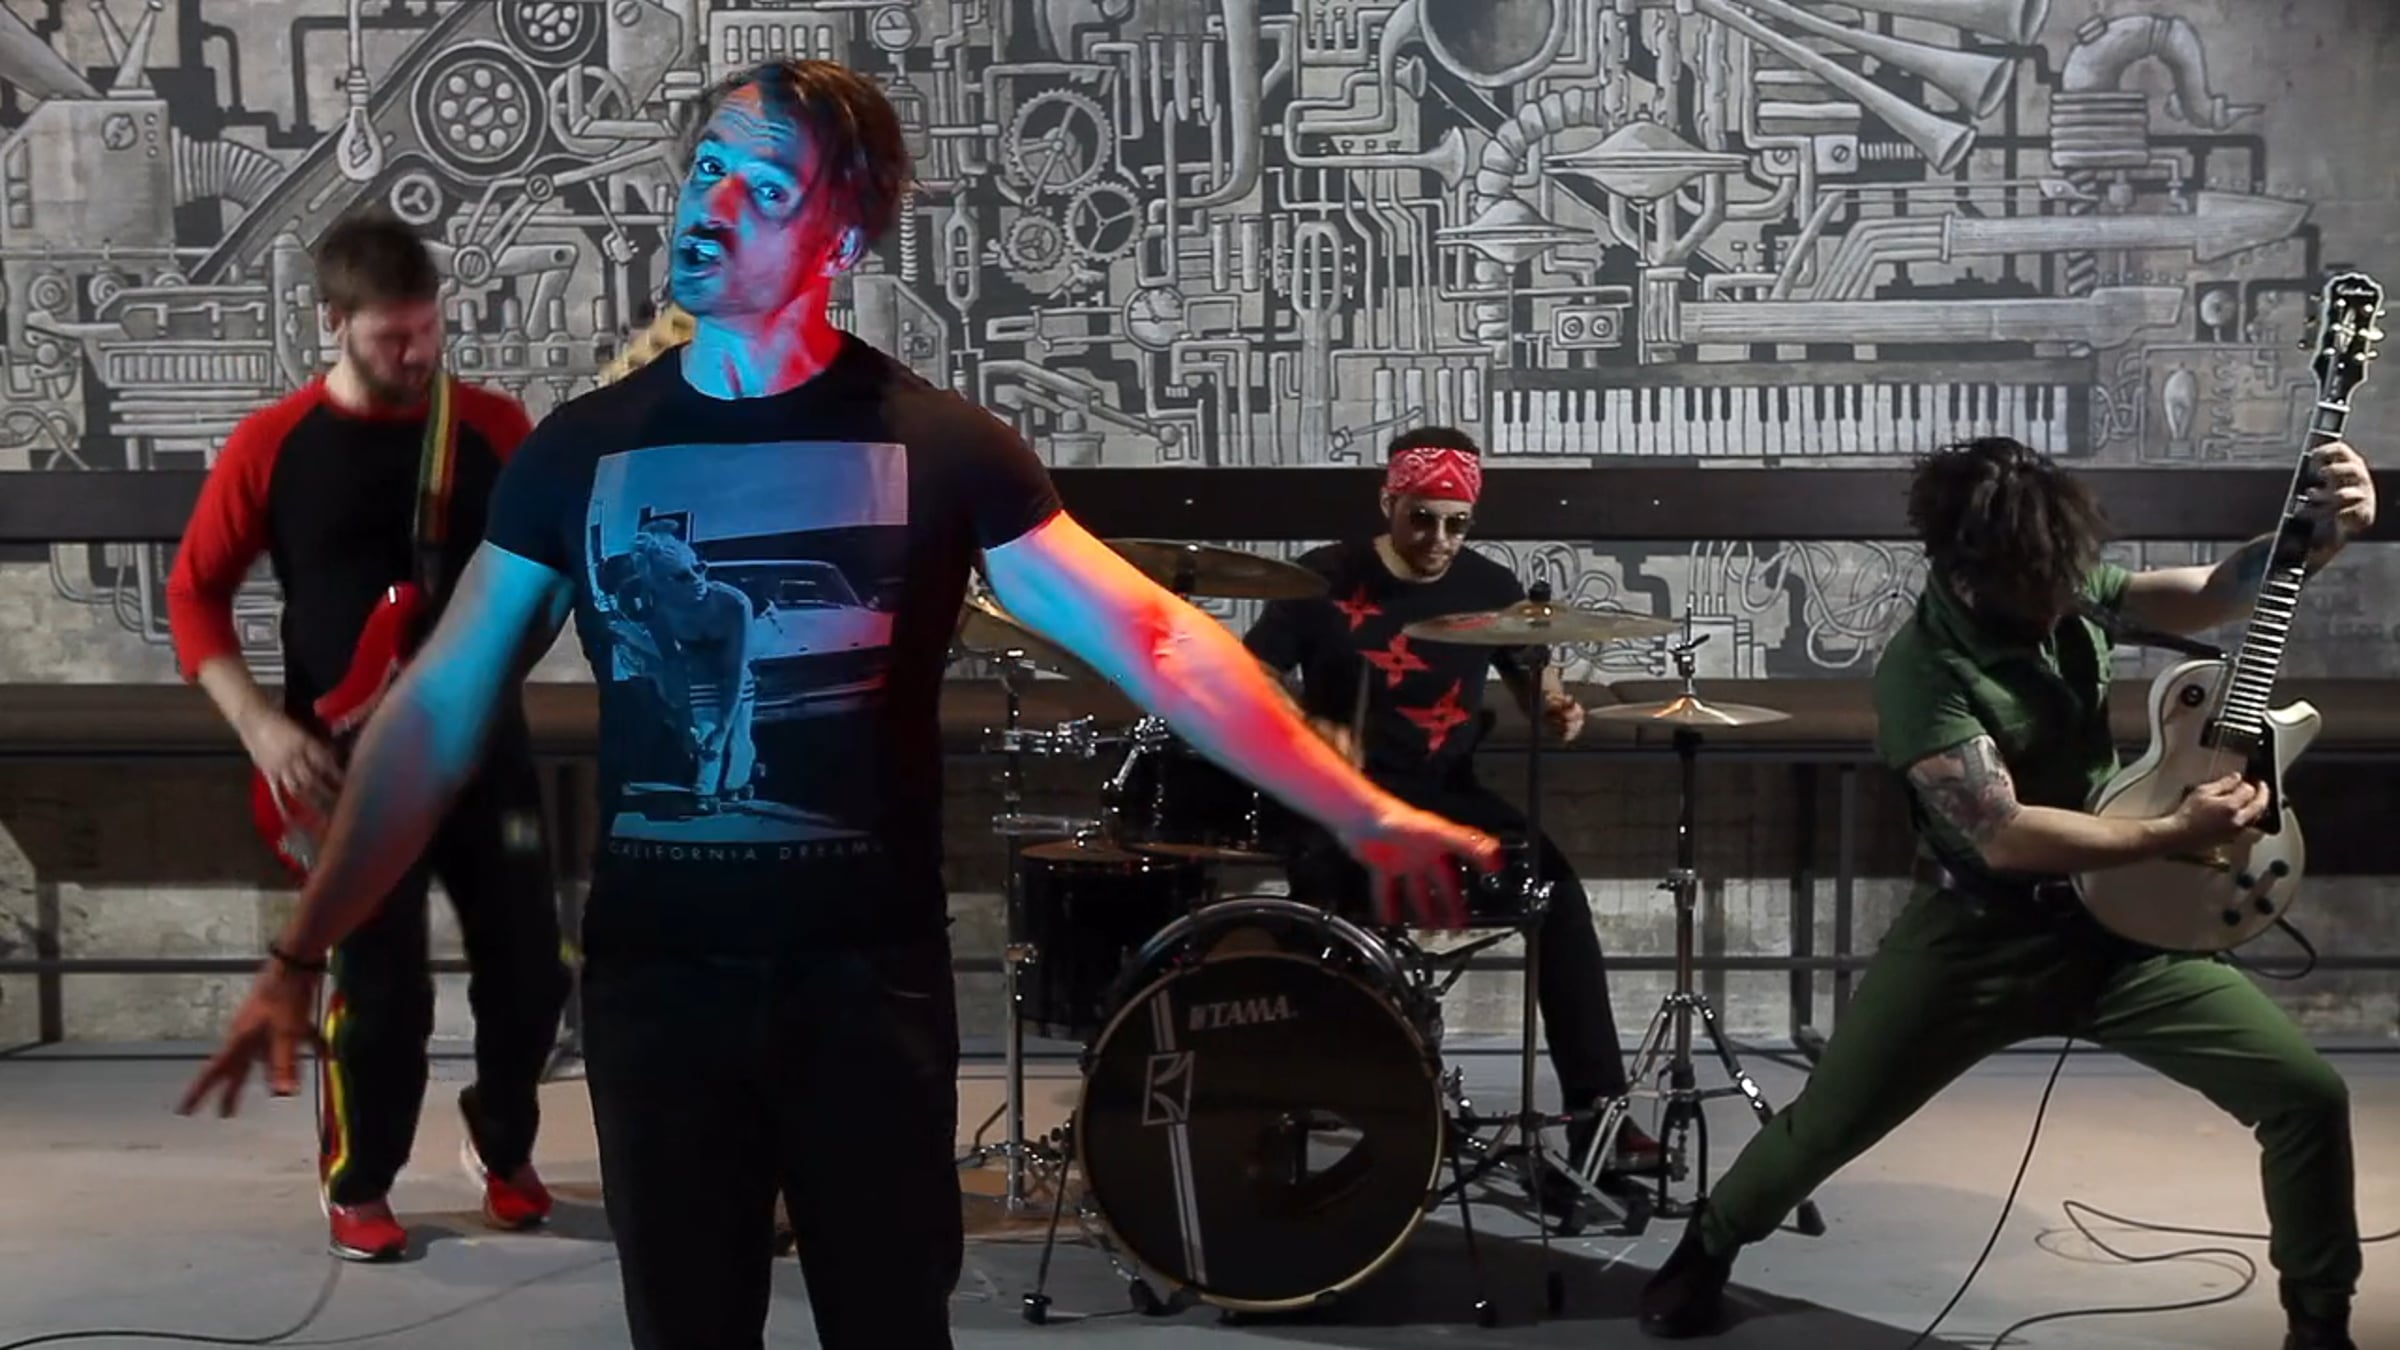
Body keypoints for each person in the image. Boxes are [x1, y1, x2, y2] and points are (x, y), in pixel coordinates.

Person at [175, 58, 1495, 1350]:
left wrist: (1358, 807)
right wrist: (304, 949)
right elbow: (433, 714)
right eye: (706, 168)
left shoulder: (941, 444)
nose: (711, 204)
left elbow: (1153, 634)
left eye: (763, 187)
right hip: (656, 1002)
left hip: (866, 996)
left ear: (842, 238)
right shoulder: (581, 450)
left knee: (887, 1322)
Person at [1637, 436, 2371, 1350]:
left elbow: (2217, 592)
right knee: (1829, 1123)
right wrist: (2175, 834)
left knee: (2306, 1096)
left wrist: (2315, 537)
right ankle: (1708, 1245)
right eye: (2042, 585)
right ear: (1968, 573)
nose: (2064, 598)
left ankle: (2319, 1319)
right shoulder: (1923, 672)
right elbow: (2007, 832)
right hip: (1979, 936)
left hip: (2127, 925)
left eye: (2069, 576)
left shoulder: (2060, 580)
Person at [164, 208, 569, 1261]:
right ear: (332, 322)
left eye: (430, 329)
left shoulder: (491, 428)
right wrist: (262, 728)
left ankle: (504, 1142)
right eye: (395, 337)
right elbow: (195, 596)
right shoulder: (273, 444)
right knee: (380, 991)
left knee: (532, 972)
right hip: (344, 769)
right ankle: (361, 1181)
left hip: (482, 750)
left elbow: (546, 566)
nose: (420, 354)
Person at [1242, 426, 1658, 1214]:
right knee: (1323, 915)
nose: (1438, 539)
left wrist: (1557, 709)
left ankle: (1598, 1120)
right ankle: (1316, 1109)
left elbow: (1534, 678)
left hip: (1447, 793)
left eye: (1456, 523)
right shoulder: (1324, 575)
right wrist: (1300, 724)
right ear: (1388, 501)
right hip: (1344, 798)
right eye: (1422, 519)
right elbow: (1252, 670)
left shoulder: (1489, 583)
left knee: (1559, 896)